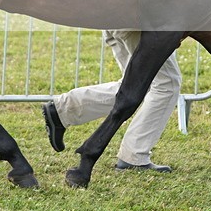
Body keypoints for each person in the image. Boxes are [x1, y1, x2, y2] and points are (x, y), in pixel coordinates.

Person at [42, 29, 182, 172]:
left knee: (134, 85)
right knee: (165, 84)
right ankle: (134, 156)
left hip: (114, 22)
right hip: (139, 25)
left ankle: (63, 109)